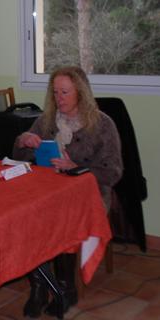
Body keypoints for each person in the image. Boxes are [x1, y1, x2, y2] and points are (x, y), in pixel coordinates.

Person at [13, 66, 123, 317]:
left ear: (81, 94)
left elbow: (113, 172)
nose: (58, 98)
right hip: (48, 190)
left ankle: (65, 289)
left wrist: (78, 167)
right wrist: (24, 140)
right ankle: (39, 287)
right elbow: (20, 156)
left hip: (90, 194)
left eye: (65, 92)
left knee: (63, 217)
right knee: (26, 215)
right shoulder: (47, 120)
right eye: (55, 92)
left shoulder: (102, 124)